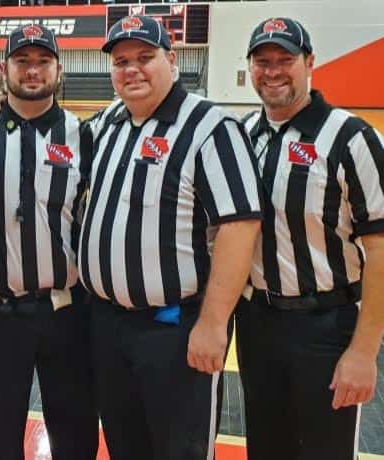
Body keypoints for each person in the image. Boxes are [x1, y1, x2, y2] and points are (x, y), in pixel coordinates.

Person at [79, 16, 262, 458]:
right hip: (108, 326)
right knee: (126, 443)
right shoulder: (106, 124)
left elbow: (240, 227)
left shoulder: (210, 127)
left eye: (145, 58)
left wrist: (214, 324)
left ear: (172, 60)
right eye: (121, 61)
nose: (132, 69)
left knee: (181, 449)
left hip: (176, 330)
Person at [0, 25, 98, 460]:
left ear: (58, 70)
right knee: (0, 428)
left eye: (42, 62)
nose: (32, 71)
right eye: (22, 62)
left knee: (74, 426)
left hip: (67, 312)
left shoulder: (85, 135)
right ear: (3, 69)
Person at [236, 17, 384, 459]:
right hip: (257, 323)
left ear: (310, 63)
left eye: (285, 59)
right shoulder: (243, 135)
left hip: (327, 325)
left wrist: (364, 350)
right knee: (265, 447)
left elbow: (381, 250)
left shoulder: (351, 137)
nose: (274, 70)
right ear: (250, 67)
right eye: (264, 61)